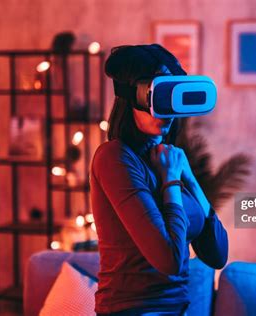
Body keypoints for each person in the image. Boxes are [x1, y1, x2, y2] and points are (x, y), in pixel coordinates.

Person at [90, 44, 229, 316]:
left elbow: (217, 255)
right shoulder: (114, 158)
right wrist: (171, 182)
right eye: (158, 96)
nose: (165, 111)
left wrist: (186, 176)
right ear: (132, 97)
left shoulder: (170, 162)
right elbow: (170, 260)